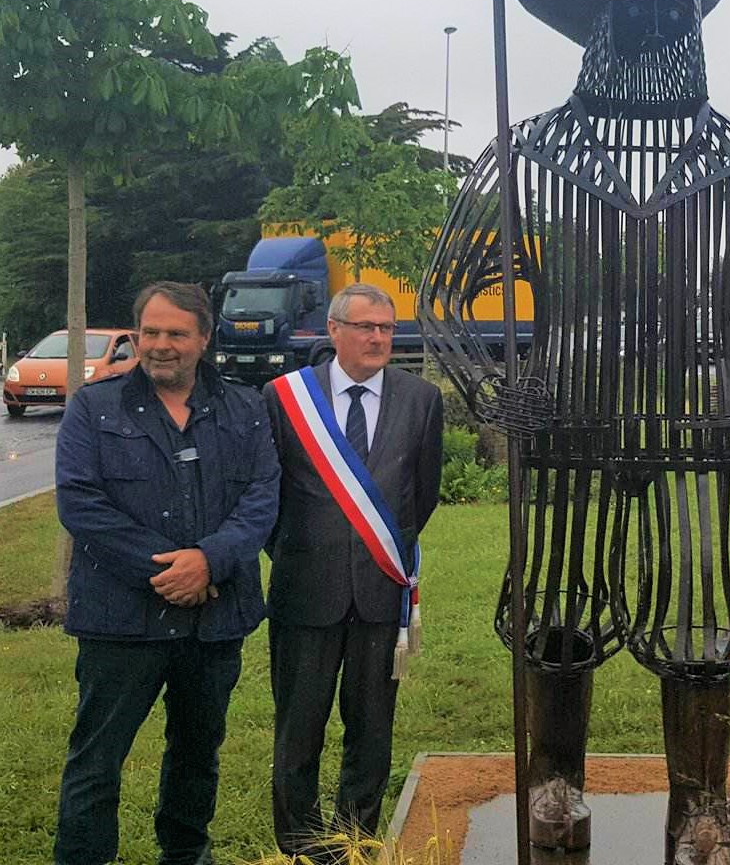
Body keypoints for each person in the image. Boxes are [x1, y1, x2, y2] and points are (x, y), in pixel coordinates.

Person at [54, 282, 280, 865]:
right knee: (97, 759)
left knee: (196, 754)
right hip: (119, 620)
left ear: (204, 339)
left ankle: (186, 854)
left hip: (214, 621)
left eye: (176, 333)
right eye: (150, 332)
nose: (161, 345)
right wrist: (170, 569)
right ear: (135, 336)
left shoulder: (245, 409)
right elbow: (81, 503)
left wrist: (210, 560)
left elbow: (261, 499)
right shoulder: (91, 406)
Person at [264, 283, 444, 856]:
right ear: (334, 331)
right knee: (299, 730)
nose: (377, 338)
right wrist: (300, 550)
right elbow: (265, 495)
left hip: (378, 592)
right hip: (304, 592)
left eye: (387, 329)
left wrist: (380, 552)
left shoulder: (421, 398)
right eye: (365, 326)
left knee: (371, 731)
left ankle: (355, 840)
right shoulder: (285, 397)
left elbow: (424, 494)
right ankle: (298, 844)